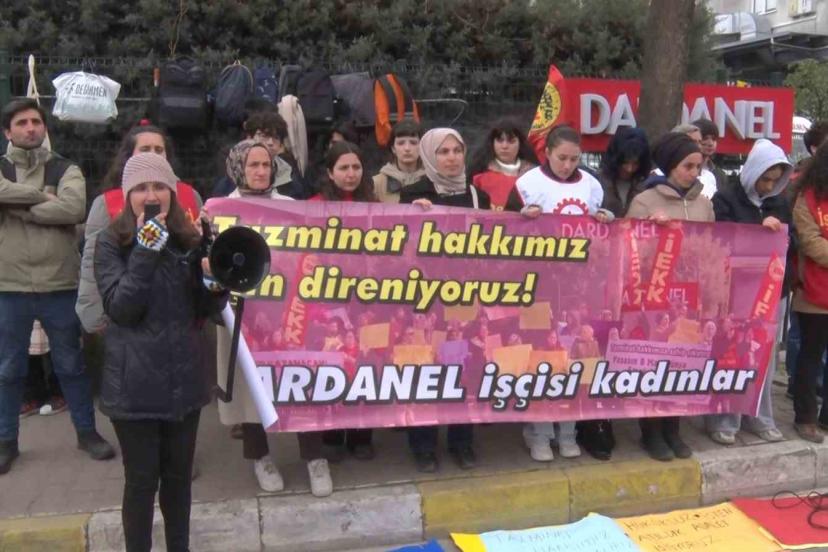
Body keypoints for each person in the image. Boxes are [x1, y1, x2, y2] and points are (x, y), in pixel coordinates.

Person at [95, 153, 227, 552]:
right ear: (127, 196)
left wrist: (214, 280)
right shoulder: (110, 242)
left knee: (178, 481)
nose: (151, 196)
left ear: (172, 192)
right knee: (141, 482)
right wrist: (145, 250)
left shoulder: (187, 238)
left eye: (159, 187)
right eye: (141, 188)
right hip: (134, 387)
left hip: (183, 381)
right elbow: (121, 309)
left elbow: (206, 310)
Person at [0, 98, 114, 475]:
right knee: (8, 369)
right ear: (7, 131)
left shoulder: (66, 167)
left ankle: (86, 433)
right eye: (21, 123)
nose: (30, 128)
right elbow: (55, 207)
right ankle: (6, 442)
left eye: (36, 121)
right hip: (9, 286)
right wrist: (41, 197)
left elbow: (72, 209)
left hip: (60, 284)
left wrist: (15, 204)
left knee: (72, 366)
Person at [506, 125, 612, 463]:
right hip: (537, 289)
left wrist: (607, 219)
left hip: (579, 291)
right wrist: (521, 220)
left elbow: (607, 232)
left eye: (574, 159)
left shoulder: (593, 185)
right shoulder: (527, 184)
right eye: (561, 158)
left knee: (575, 360)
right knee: (542, 360)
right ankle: (538, 432)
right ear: (547, 153)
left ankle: (568, 431)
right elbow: (502, 233)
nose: (567, 165)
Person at [401, 128, 489, 471]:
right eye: (443, 151)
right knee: (426, 369)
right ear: (429, 155)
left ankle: (461, 441)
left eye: (457, 150)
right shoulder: (414, 193)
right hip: (426, 299)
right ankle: (423, 444)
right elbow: (399, 247)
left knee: (462, 367)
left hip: (465, 296)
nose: (451, 157)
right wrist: (412, 218)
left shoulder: (477, 195)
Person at [627, 131, 714, 461]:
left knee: (682, 364)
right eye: (687, 166)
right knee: (655, 365)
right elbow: (628, 249)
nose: (694, 172)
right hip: (655, 296)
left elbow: (712, 245)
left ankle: (673, 429)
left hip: (689, 298)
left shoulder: (704, 203)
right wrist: (651, 231)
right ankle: (651, 431)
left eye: (698, 166)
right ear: (670, 166)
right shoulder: (645, 201)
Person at [216, 139, 293, 493]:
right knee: (249, 388)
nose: (261, 172)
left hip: (288, 312)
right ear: (238, 169)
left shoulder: (292, 208)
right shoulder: (221, 210)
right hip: (243, 313)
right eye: (253, 165)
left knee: (301, 378)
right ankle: (260, 457)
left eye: (266, 165)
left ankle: (314, 457)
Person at [77, 123, 202, 334]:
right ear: (129, 156)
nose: (153, 154)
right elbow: (92, 263)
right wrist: (93, 315)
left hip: (182, 324)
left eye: (159, 150)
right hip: (128, 321)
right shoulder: (106, 202)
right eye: (145, 149)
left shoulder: (190, 196)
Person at [706, 138, 791, 445]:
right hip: (736, 290)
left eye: (775, 180)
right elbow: (723, 240)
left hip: (771, 291)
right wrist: (759, 229)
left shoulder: (779, 202)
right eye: (765, 179)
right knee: (732, 353)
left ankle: (760, 416)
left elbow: (790, 242)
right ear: (753, 171)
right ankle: (725, 418)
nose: (769, 186)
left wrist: (779, 233)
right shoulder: (726, 198)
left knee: (764, 356)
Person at [790, 142, 828, 443]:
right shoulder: (807, 197)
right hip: (814, 292)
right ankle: (805, 418)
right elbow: (810, 241)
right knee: (811, 355)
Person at [211, 111, 307, 199]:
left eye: (276, 138)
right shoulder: (229, 182)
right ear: (249, 138)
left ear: (281, 145)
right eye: (264, 136)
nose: (270, 142)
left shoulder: (290, 178)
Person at [469, 118, 537, 211]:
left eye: (511, 141)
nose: (504, 146)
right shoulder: (478, 175)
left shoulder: (534, 176)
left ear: (520, 143)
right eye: (500, 140)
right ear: (492, 143)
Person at [598, 127, 651, 218]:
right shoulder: (597, 181)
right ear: (615, 159)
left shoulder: (649, 184)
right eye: (625, 163)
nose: (629, 169)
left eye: (635, 164)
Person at [372, 119, 426, 203]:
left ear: (422, 147)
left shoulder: (434, 180)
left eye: (413, 143)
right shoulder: (377, 183)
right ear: (393, 148)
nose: (407, 148)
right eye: (401, 143)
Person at [691, 118, 729, 194]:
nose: (710, 143)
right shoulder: (684, 170)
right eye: (705, 138)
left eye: (714, 139)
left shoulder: (720, 175)